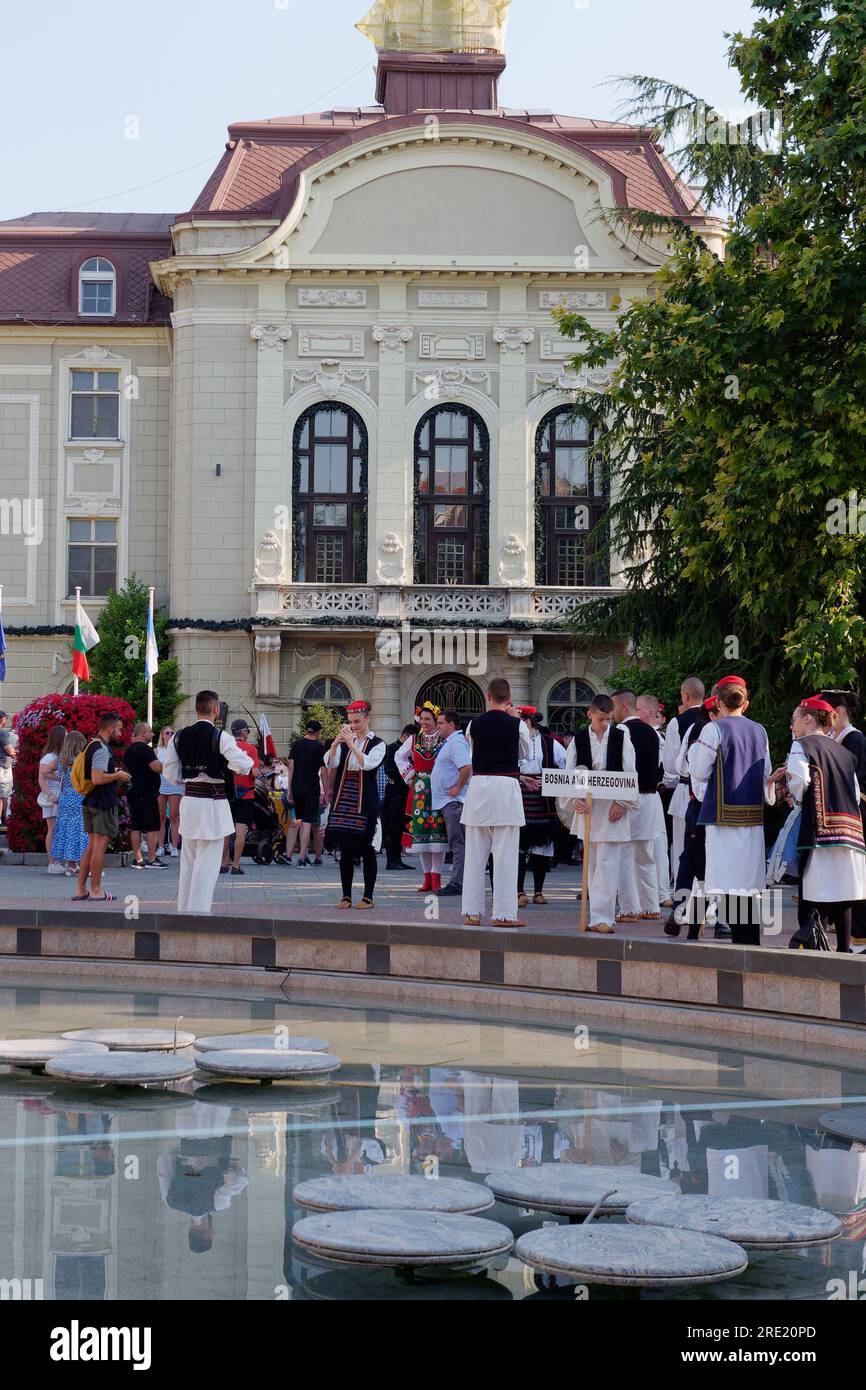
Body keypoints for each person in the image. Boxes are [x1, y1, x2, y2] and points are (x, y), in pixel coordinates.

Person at [688, 676, 774, 945]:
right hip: (752, 816)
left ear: (719, 702)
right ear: (744, 703)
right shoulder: (759, 730)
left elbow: (698, 771)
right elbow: (766, 772)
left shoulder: (714, 730)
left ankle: (740, 945)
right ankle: (750, 941)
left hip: (722, 816)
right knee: (747, 883)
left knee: (728, 882)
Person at [781, 697, 866, 954]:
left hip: (819, 830)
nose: (792, 725)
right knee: (843, 895)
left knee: (811, 895)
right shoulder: (844, 752)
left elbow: (799, 782)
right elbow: (853, 792)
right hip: (850, 830)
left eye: (795, 719)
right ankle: (843, 951)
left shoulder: (802, 746)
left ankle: (810, 952)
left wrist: (795, 799)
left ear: (808, 718)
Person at [161, 692, 254, 914]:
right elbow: (244, 764)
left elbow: (171, 774)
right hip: (213, 803)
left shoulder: (179, 737)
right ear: (216, 710)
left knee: (189, 861)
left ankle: (185, 909)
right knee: (208, 862)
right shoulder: (221, 737)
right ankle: (199, 911)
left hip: (190, 801)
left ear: (196, 710)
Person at [562, 693, 639, 934]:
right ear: (590, 715)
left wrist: (622, 802)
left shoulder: (621, 737)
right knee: (592, 864)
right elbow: (570, 771)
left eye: (608, 719)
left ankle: (603, 917)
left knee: (607, 863)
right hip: (588, 805)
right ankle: (594, 914)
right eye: (601, 719)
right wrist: (574, 800)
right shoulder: (579, 739)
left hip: (612, 808)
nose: (605, 724)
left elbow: (630, 770)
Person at [461, 678, 533, 929]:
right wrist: (515, 719)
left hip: (480, 786)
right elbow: (527, 754)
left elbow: (473, 753)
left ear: (488, 696)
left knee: (475, 854)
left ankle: (471, 911)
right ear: (508, 698)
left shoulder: (473, 724)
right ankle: (503, 913)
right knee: (505, 855)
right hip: (505, 788)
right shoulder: (518, 725)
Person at [323, 699, 386, 910]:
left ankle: (368, 896)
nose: (353, 726)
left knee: (367, 849)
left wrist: (351, 744)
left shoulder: (378, 743)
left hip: (364, 801)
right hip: (344, 799)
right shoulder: (343, 743)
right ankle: (346, 896)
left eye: (357, 721)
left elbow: (367, 764)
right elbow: (330, 762)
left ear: (367, 719)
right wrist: (335, 743)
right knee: (345, 849)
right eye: (350, 722)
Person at [664, 697, 717, 938]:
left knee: (689, 856)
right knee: (709, 860)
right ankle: (715, 916)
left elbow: (678, 765)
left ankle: (680, 909)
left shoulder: (692, 727)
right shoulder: (739, 730)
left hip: (694, 798)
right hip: (717, 805)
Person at [612, 690, 663, 922]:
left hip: (630, 797)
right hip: (650, 797)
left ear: (624, 706)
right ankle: (651, 906)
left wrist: (619, 799)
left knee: (624, 854)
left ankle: (629, 908)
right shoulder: (653, 733)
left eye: (613, 707)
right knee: (646, 855)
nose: (611, 713)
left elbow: (623, 767)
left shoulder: (623, 731)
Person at [822, 690, 866, 945]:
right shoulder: (837, 739)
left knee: (856, 878)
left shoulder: (855, 740)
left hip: (855, 818)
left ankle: (858, 936)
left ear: (836, 714)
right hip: (841, 817)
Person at [73, 711, 132, 903]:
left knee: (91, 846)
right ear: (110, 728)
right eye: (119, 729)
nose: (120, 734)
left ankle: (81, 890)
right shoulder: (101, 748)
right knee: (99, 846)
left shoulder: (92, 744)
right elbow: (97, 778)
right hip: (102, 803)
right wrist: (117, 776)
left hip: (91, 802)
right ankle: (96, 890)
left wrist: (112, 771)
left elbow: (95, 774)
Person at [395, 702, 449, 893]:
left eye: (428, 719)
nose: (424, 722)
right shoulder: (414, 739)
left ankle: (437, 877)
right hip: (419, 789)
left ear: (436, 721)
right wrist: (409, 775)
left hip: (438, 790)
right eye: (422, 719)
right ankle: (427, 878)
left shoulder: (444, 739)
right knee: (421, 835)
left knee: (437, 835)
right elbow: (399, 757)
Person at [516, 706, 566, 908]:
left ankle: (538, 891)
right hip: (518, 793)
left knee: (542, 846)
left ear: (529, 721)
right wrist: (519, 777)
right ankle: (519, 891)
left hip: (542, 797)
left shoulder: (548, 742)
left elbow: (565, 763)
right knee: (518, 845)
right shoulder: (514, 741)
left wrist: (552, 780)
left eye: (522, 720)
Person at [662, 677, 706, 881]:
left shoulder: (677, 722)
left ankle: (682, 897)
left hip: (685, 790)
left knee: (682, 847)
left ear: (685, 696)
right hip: (713, 792)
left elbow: (671, 766)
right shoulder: (714, 718)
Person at [431, 710, 473, 898]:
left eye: (440, 723)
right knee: (456, 843)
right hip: (448, 802)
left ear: (451, 725)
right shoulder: (451, 743)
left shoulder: (456, 743)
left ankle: (457, 883)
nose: (437, 726)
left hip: (454, 802)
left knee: (458, 843)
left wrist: (457, 788)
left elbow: (466, 767)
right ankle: (459, 881)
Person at [637, 693, 673, 909]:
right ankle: (656, 893)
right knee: (651, 847)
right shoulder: (654, 736)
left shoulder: (657, 738)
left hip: (654, 793)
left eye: (639, 709)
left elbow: (667, 769)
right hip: (651, 793)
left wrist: (662, 781)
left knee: (655, 846)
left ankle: (659, 893)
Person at [220, 719, 260, 876]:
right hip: (246, 794)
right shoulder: (251, 749)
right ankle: (236, 865)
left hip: (228, 792)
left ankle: (223, 863)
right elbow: (255, 773)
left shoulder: (226, 748)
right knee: (240, 830)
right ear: (243, 732)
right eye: (248, 731)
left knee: (226, 831)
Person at [124, 723, 166, 870]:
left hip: (133, 792)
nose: (152, 734)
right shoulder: (145, 749)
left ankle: (138, 859)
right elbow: (156, 767)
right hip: (147, 793)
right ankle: (152, 859)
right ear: (142, 733)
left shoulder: (130, 750)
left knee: (136, 826)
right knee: (152, 827)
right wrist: (165, 765)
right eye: (150, 732)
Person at [286, 721, 327, 867]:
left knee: (299, 819)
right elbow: (323, 772)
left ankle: (294, 855)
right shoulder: (319, 747)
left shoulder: (296, 744)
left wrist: (290, 789)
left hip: (297, 787)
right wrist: (327, 792)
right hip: (312, 788)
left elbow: (291, 767)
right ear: (317, 732)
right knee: (308, 822)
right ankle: (302, 856)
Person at [52, 730, 89, 875]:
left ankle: (70, 864)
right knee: (81, 830)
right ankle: (83, 863)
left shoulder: (62, 760)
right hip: (79, 796)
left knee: (66, 829)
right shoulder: (82, 760)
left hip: (65, 797)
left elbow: (45, 770)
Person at [382, 725, 416, 871]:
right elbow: (389, 769)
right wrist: (406, 774)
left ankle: (398, 859)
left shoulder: (410, 752)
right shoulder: (391, 748)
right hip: (395, 791)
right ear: (406, 736)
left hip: (406, 793)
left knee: (402, 827)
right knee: (393, 827)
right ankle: (391, 860)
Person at [38, 725, 68, 874]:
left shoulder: (62, 755)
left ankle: (59, 860)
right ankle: (53, 862)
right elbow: (41, 780)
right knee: (53, 829)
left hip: (60, 794)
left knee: (60, 829)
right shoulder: (49, 757)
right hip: (52, 796)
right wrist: (51, 796)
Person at [156, 726, 183, 858]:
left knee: (174, 816)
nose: (170, 735)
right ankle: (160, 846)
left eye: (172, 733)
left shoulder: (178, 750)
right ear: (162, 735)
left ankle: (174, 846)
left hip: (174, 785)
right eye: (167, 733)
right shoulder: (157, 751)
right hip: (161, 785)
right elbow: (155, 768)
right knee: (160, 817)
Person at [0, 710, 18, 826]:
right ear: (2, 720)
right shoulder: (2, 733)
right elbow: (10, 751)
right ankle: (3, 819)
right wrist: (15, 752)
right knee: (3, 794)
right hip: (3, 767)